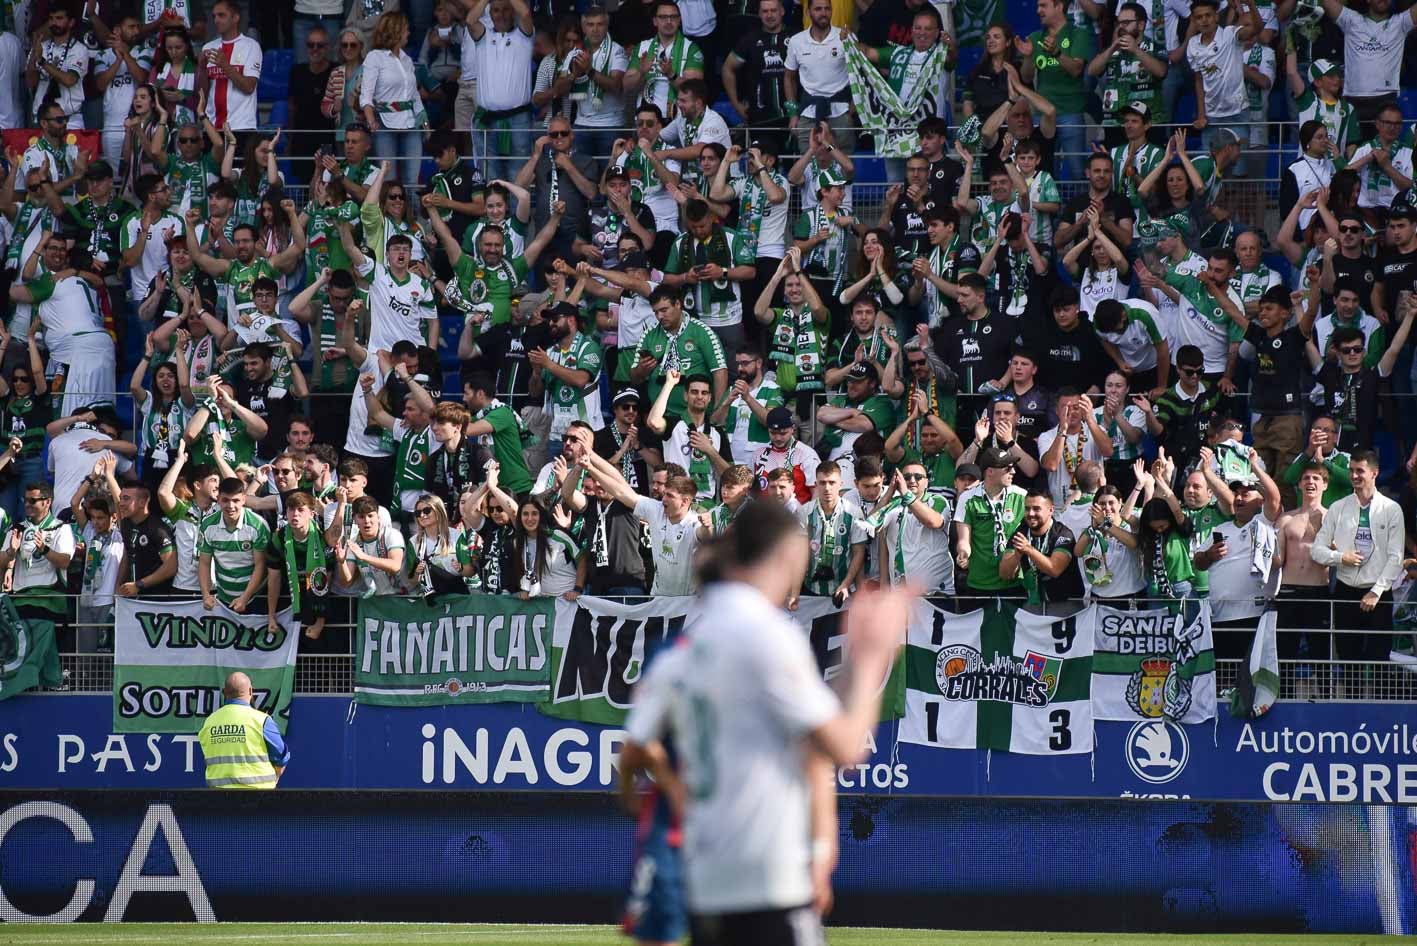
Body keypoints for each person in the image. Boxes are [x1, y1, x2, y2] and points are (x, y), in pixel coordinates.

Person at [621, 504, 907, 946]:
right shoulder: (769, 636)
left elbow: (635, 753)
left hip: (705, 879)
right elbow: (845, 746)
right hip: (765, 878)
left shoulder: (682, 648)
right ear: (787, 556)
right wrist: (870, 656)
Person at [1310, 450, 1406, 693]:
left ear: (1374, 473)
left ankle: (1381, 718)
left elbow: (1396, 557)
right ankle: (1352, 716)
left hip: (1378, 594)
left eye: (1359, 471)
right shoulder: (1338, 507)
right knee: (1348, 658)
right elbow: (1317, 551)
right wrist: (1340, 557)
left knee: (1378, 659)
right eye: (1351, 470)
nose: (1353, 475)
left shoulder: (1391, 509)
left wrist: (1376, 592)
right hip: (1345, 591)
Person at [579, 448, 700, 595]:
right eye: (654, 483)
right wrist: (591, 462)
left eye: (669, 494)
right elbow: (621, 489)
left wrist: (708, 526)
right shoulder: (655, 509)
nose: (661, 495)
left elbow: (711, 536)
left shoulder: (697, 521)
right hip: (658, 597)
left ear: (685, 500)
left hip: (685, 600)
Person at [1018, 0, 1093, 182]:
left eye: (1043, 6)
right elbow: (1027, 78)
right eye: (1037, 6)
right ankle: (1049, 209)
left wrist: (1057, 53)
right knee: (1043, 170)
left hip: (1071, 113)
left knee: (1077, 171)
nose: (1038, 11)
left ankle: (1078, 210)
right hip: (1042, 115)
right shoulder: (1036, 37)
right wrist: (1028, 58)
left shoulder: (1078, 34)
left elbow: (1076, 70)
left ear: (1059, 6)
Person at [1275, 464, 1332, 696]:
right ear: (1299, 484)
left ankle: (1326, 699)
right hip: (1288, 590)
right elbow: (1277, 560)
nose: (1311, 482)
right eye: (1306, 478)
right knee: (1285, 651)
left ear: (1324, 484)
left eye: (1316, 478)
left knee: (1320, 651)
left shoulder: (1333, 518)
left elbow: (1338, 554)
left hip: (1318, 590)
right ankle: (1285, 699)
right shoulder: (1286, 519)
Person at [467, 0, 537, 184]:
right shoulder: (483, 37)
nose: (501, 14)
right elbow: (470, 20)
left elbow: (526, 14)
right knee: (490, 178)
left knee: (518, 177)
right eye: (496, 10)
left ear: (513, 12)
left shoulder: (524, 36)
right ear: (489, 14)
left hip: (517, 120)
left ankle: (516, 214)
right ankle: (494, 214)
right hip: (487, 120)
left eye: (506, 9)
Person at [954, 446, 1028, 600]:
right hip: (979, 583)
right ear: (990, 472)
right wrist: (963, 553)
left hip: (1014, 582)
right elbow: (963, 540)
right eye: (1007, 468)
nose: (1013, 472)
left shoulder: (1021, 496)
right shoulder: (967, 498)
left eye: (1013, 467)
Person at [869, 461, 954, 594]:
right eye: (906, 477)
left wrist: (905, 493)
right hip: (900, 595)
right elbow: (870, 527)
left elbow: (934, 521)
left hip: (935, 593)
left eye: (918, 477)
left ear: (926, 482)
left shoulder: (938, 500)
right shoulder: (892, 505)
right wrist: (889, 493)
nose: (912, 480)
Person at [784, 0, 856, 154]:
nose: (823, 13)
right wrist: (792, 114)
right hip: (808, 112)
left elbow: (859, 73)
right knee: (808, 165)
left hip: (841, 113)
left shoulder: (845, 37)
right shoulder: (796, 41)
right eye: (818, 9)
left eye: (827, 9)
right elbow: (789, 77)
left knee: (843, 165)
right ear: (808, 12)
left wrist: (854, 106)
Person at [197, 671, 289, 790]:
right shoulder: (262, 721)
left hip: (219, 798)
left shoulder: (209, 722)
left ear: (224, 693)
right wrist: (274, 779)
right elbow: (281, 758)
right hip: (259, 797)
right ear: (251, 691)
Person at [793, 461, 867, 605]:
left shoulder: (853, 512)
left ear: (841, 484)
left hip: (843, 589)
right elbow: (800, 553)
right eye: (822, 483)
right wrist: (795, 592)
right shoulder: (804, 511)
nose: (827, 488)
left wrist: (846, 584)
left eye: (832, 483)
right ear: (816, 484)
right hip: (811, 588)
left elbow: (858, 553)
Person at [722, 0, 791, 154]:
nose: (769, 15)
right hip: (760, 118)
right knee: (762, 167)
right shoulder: (749, 40)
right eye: (765, 11)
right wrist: (736, 104)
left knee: (793, 169)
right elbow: (727, 69)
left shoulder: (796, 37)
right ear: (759, 14)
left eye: (773, 10)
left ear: (782, 11)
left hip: (791, 117)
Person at [197, 476, 269, 613]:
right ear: (218, 499)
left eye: (236, 500)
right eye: (225, 500)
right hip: (223, 598)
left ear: (243, 499)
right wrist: (205, 595)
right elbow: (204, 563)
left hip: (256, 597)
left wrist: (245, 597)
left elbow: (261, 565)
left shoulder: (258, 525)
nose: (230, 506)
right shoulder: (207, 525)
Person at [201, 0, 262, 132]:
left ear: (235, 18)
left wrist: (225, 65)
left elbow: (249, 87)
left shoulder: (251, 46)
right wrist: (200, 68)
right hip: (212, 127)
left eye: (221, 15)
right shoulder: (208, 47)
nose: (216, 20)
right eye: (214, 16)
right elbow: (202, 92)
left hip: (242, 126)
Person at [25, 3, 90, 128]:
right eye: (51, 19)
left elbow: (69, 80)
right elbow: (30, 83)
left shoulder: (79, 49)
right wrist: (34, 54)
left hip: (69, 120)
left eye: (59, 18)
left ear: (71, 23)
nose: (54, 22)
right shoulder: (40, 47)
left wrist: (42, 61)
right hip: (42, 120)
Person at [115, 482, 178, 599]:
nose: (121, 503)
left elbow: (171, 567)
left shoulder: (157, 528)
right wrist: (118, 584)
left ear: (142, 503)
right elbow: (127, 554)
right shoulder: (126, 524)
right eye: (121, 498)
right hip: (131, 596)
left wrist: (139, 585)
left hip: (156, 600)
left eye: (126, 499)